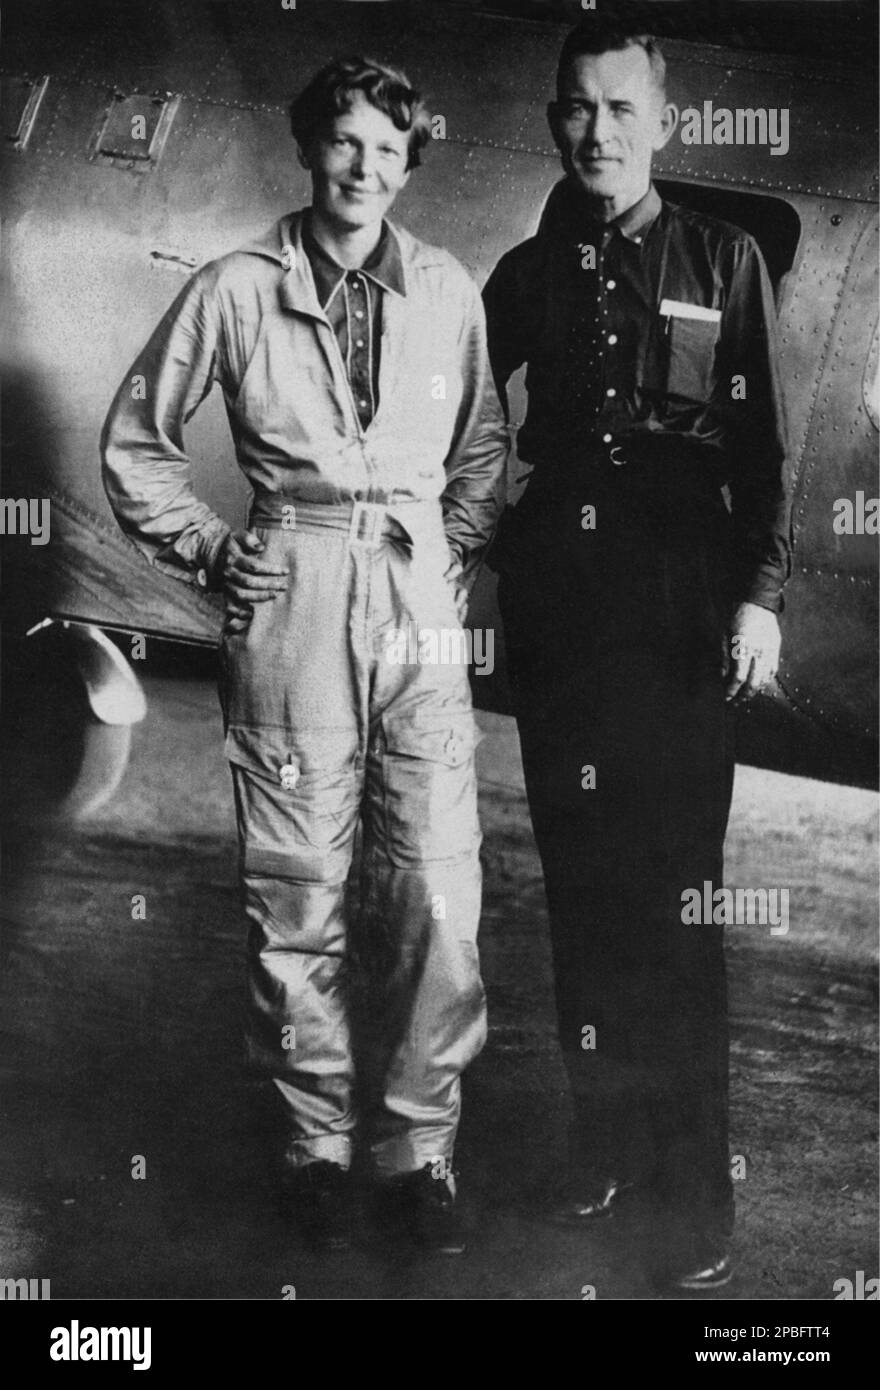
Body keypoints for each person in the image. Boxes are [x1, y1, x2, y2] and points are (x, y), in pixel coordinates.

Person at [102, 56, 507, 1255]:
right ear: (308, 147)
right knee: (297, 892)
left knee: (439, 887)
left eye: (388, 149)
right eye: (344, 143)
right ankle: (314, 1144)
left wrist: (446, 555)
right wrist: (212, 548)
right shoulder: (234, 288)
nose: (364, 168)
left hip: (416, 603)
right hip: (291, 595)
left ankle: (417, 1148)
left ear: (408, 161)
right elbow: (136, 445)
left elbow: (481, 451)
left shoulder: (445, 288)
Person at [483, 21, 791, 1291]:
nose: (596, 132)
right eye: (575, 109)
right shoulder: (521, 272)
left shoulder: (721, 260)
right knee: (580, 884)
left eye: (620, 109)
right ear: (555, 121)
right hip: (561, 594)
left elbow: (766, 451)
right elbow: (452, 417)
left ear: (662, 121)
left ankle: (691, 1191)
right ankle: (601, 1150)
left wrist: (758, 598)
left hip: (676, 599)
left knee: (677, 899)